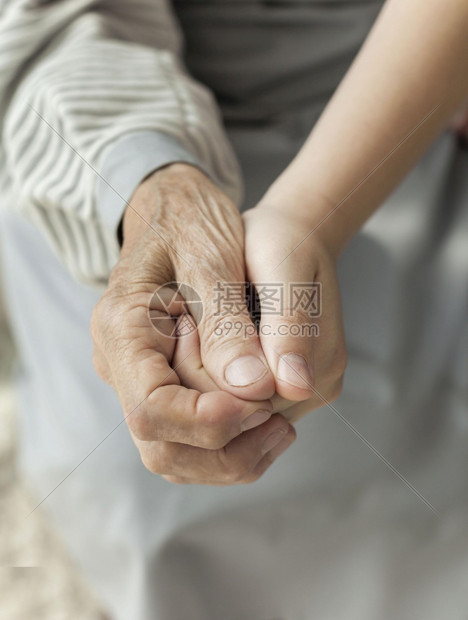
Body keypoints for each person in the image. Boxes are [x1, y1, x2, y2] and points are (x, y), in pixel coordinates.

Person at [1, 0, 467, 617]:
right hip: (106, 125)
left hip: (398, 89)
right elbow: (52, 26)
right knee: (132, 458)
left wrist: (309, 216)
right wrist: (154, 188)